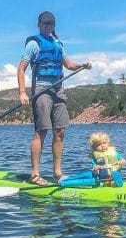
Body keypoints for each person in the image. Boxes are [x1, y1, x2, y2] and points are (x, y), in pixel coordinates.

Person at [17, 11, 90, 184]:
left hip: (58, 90)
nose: (48, 26)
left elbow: (69, 64)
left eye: (51, 23)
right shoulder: (34, 44)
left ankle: (57, 173)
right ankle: (35, 174)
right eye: (45, 23)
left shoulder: (58, 43)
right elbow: (21, 69)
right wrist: (22, 92)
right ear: (39, 24)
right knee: (41, 132)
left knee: (60, 131)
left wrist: (82, 65)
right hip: (41, 90)